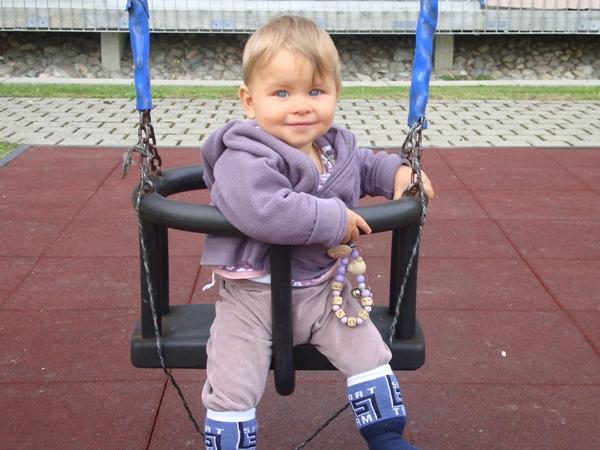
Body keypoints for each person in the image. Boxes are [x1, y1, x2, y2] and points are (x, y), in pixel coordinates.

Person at [199, 15, 434, 450]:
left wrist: (397, 172)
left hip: (326, 292)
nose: (301, 106)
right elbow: (263, 209)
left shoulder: (334, 148)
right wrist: (332, 218)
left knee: (371, 355)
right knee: (232, 383)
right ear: (249, 101)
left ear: (335, 94)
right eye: (281, 93)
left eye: (315, 91)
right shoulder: (242, 157)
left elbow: (366, 165)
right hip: (252, 299)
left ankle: (387, 438)